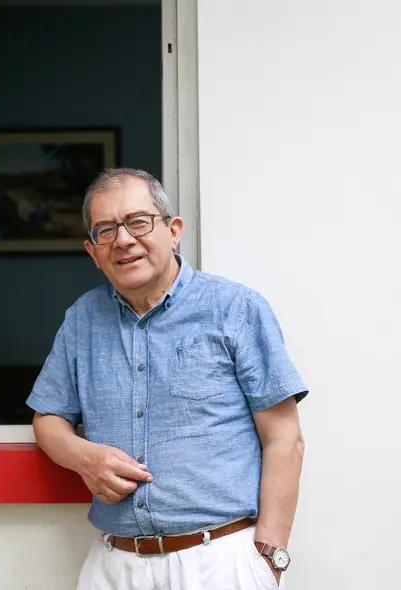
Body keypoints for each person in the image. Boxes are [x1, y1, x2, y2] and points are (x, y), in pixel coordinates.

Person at [26, 168, 308, 589]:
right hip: (114, 564)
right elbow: (47, 419)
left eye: (138, 221)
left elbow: (285, 437)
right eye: (106, 230)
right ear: (93, 251)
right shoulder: (82, 319)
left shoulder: (236, 308)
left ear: (173, 231)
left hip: (219, 562)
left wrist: (268, 557)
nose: (123, 240)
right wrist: (83, 457)